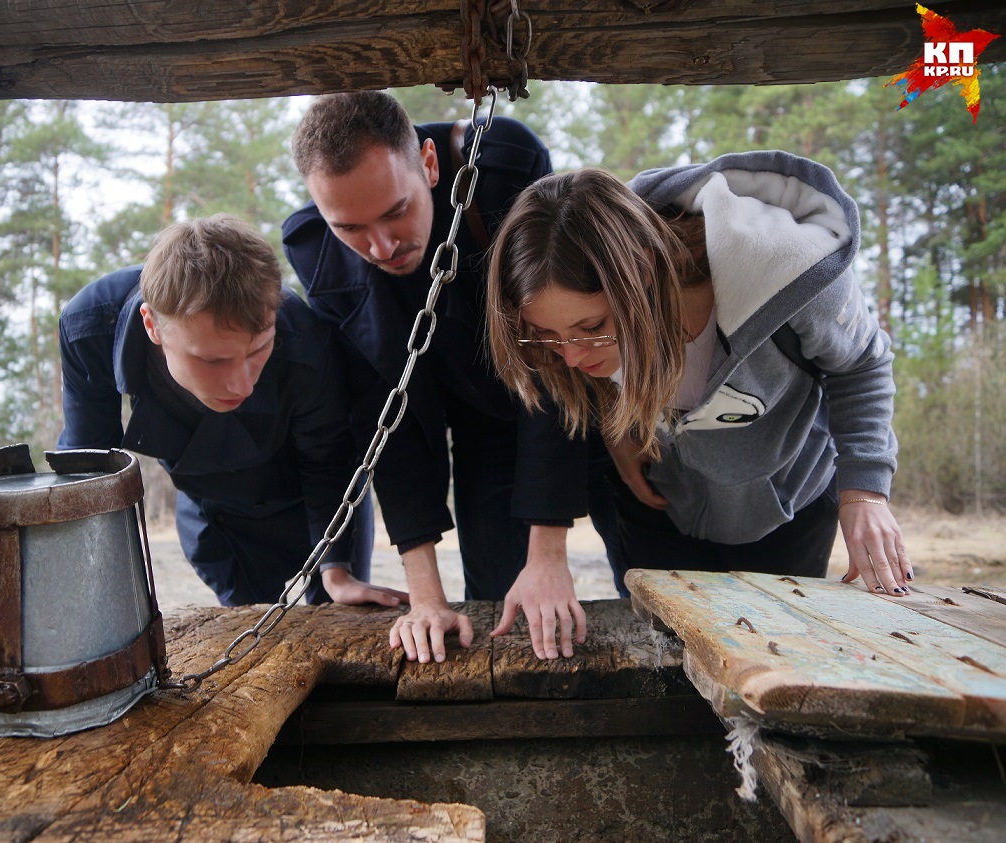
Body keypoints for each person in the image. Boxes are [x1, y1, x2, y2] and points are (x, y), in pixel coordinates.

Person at [282, 91, 621, 663]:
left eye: (396, 211)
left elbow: (553, 356)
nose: (382, 247)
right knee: (498, 612)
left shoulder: (503, 167)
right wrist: (425, 598)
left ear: (431, 164)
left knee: (647, 575)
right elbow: (386, 420)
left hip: (569, 393)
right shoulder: (320, 258)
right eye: (351, 228)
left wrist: (548, 556)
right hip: (476, 434)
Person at [486, 152, 912, 597]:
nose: (571, 358)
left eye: (592, 329)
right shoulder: (568, 325)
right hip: (660, 503)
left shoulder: (786, 269)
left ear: (644, 269)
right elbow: (569, 383)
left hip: (788, 504)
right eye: (548, 336)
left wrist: (864, 492)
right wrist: (619, 435)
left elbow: (861, 365)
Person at [58, 214, 406, 609]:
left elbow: (327, 458)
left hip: (315, 504)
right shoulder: (89, 329)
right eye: (213, 361)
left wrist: (337, 572)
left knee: (335, 616)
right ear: (152, 325)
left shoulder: (305, 337)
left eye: (259, 350)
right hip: (213, 514)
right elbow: (91, 470)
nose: (242, 385)